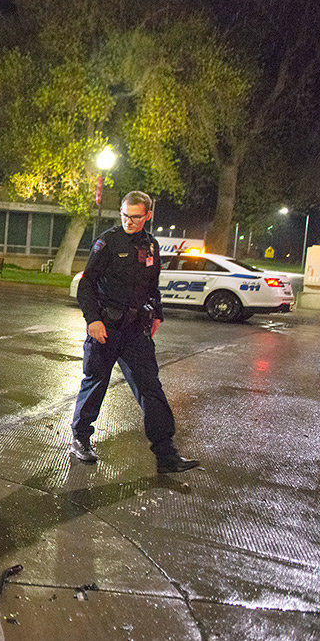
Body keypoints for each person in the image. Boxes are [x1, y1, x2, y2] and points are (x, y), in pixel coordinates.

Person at [69, 191, 199, 474]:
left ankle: (166, 454)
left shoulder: (151, 246)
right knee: (95, 384)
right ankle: (80, 439)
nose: (129, 221)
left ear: (148, 216)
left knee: (151, 389)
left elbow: (153, 287)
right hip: (106, 326)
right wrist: (93, 320)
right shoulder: (108, 242)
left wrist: (157, 315)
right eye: (125, 215)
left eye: (135, 217)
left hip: (135, 331)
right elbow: (86, 284)